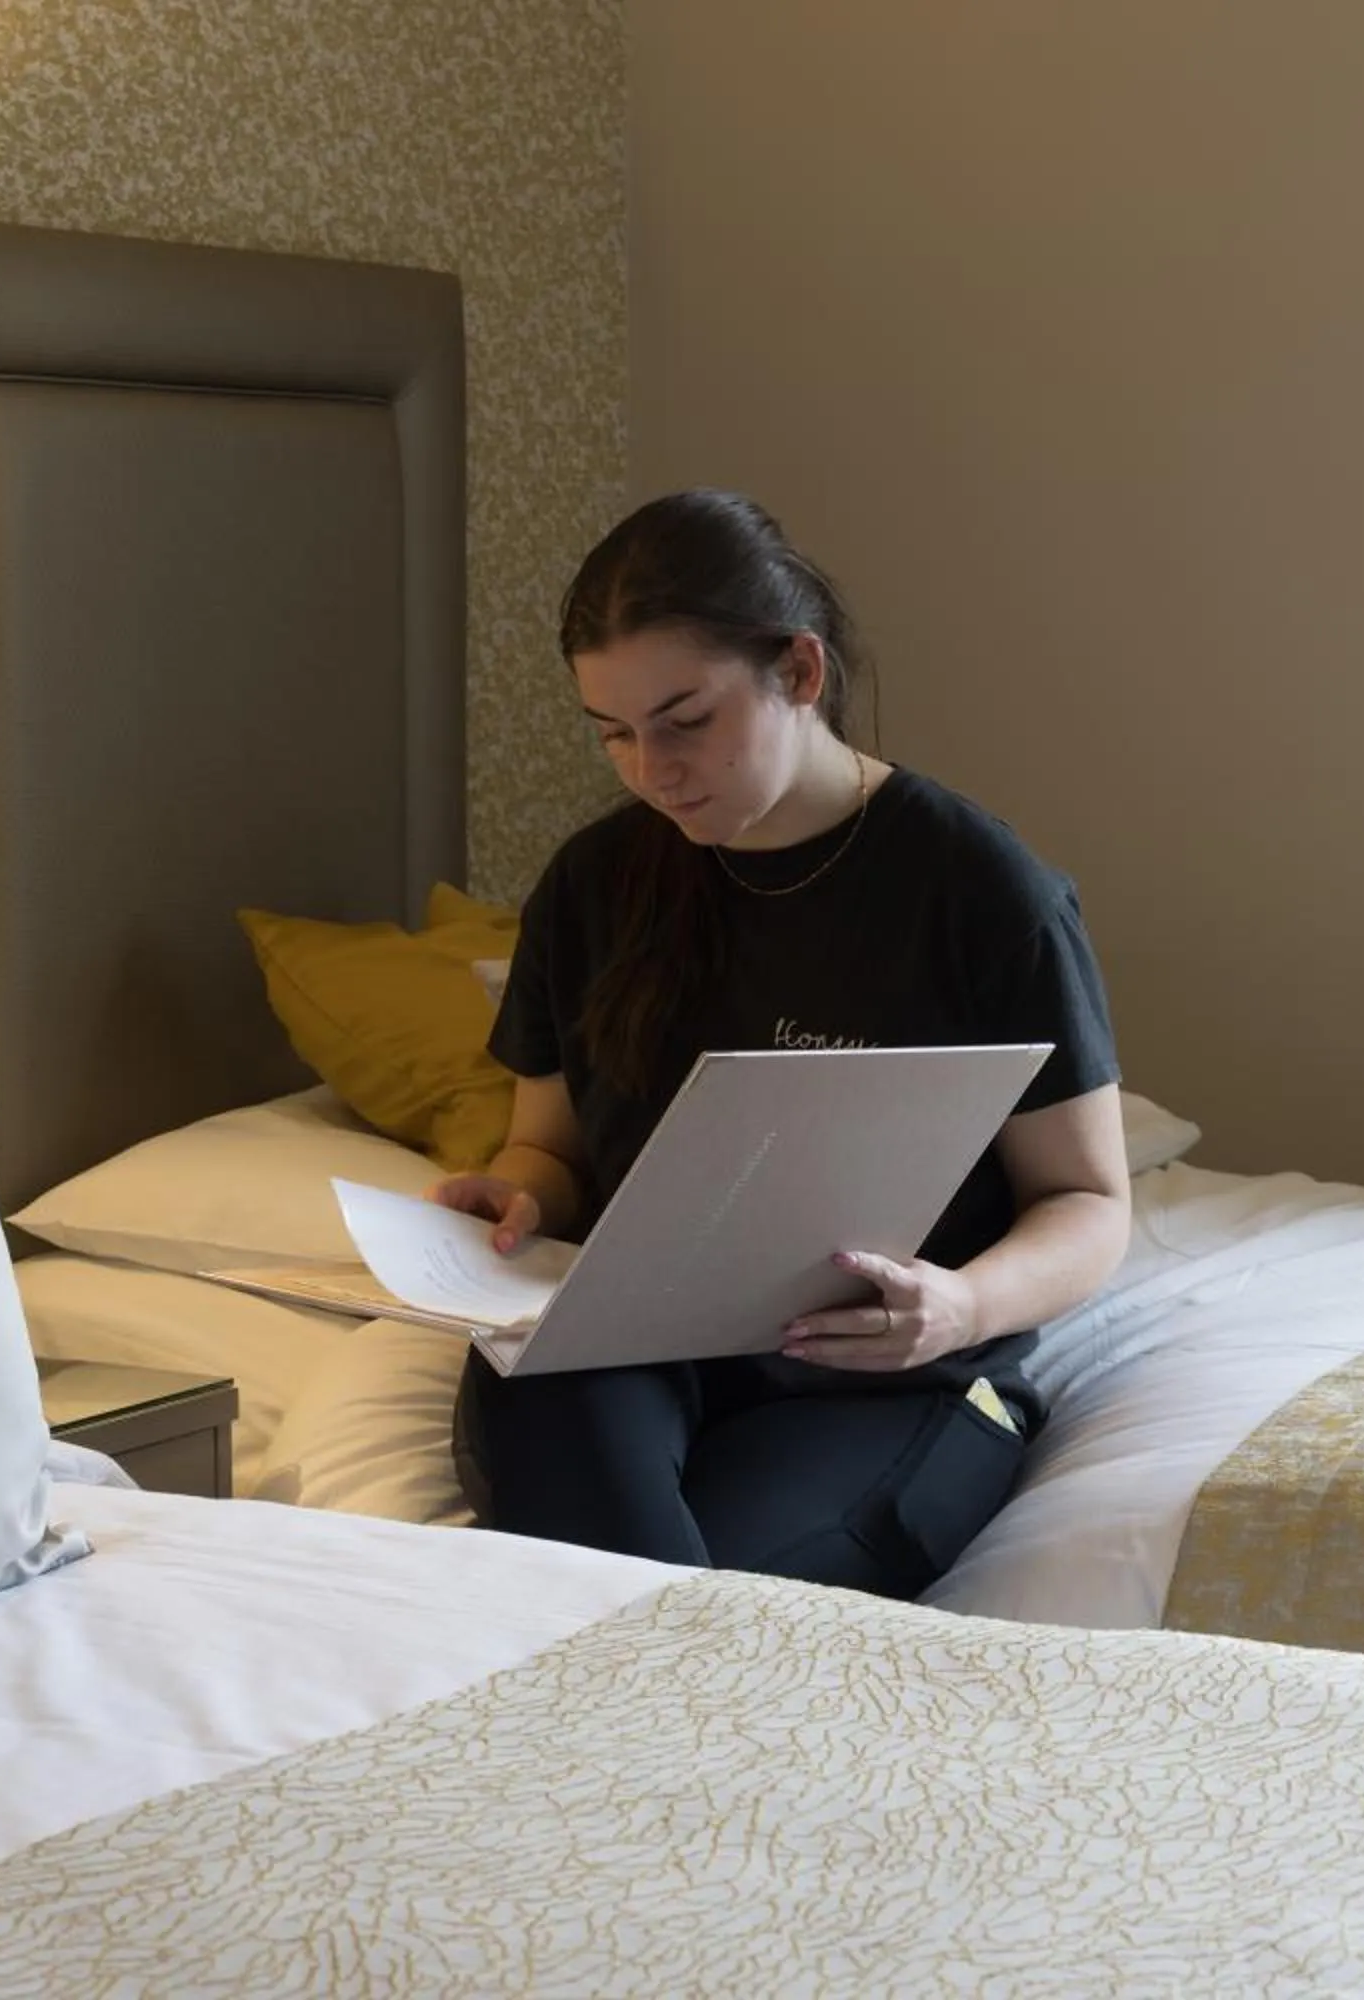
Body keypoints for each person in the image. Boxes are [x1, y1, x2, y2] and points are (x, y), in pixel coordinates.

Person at [436, 490, 1129, 1598]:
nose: (650, 767)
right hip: (627, 1348)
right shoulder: (593, 884)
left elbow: (1090, 1204)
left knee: (733, 1606)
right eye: (614, 732)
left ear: (800, 673)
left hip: (885, 1374)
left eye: (685, 718)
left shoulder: (977, 891)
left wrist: (961, 1306)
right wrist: (517, 1199)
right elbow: (551, 1152)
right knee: (597, 1545)